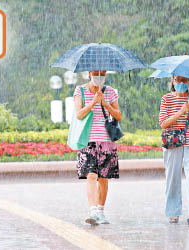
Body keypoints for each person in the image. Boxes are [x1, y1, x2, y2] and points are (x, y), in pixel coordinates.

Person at [73, 70, 122, 225]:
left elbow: (118, 115)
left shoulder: (110, 91)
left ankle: (101, 210)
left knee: (103, 178)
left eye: (102, 73)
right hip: (87, 140)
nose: (99, 75)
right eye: (96, 72)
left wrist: (104, 103)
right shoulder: (80, 90)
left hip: (106, 141)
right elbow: (79, 114)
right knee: (91, 175)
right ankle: (93, 211)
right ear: (89, 73)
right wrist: (94, 102)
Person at [159, 75, 189, 225]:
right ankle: (173, 211)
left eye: (185, 80)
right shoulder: (166, 99)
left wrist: (187, 109)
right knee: (172, 177)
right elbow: (163, 123)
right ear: (172, 80)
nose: (181, 83)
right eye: (178, 80)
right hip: (173, 141)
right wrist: (181, 111)